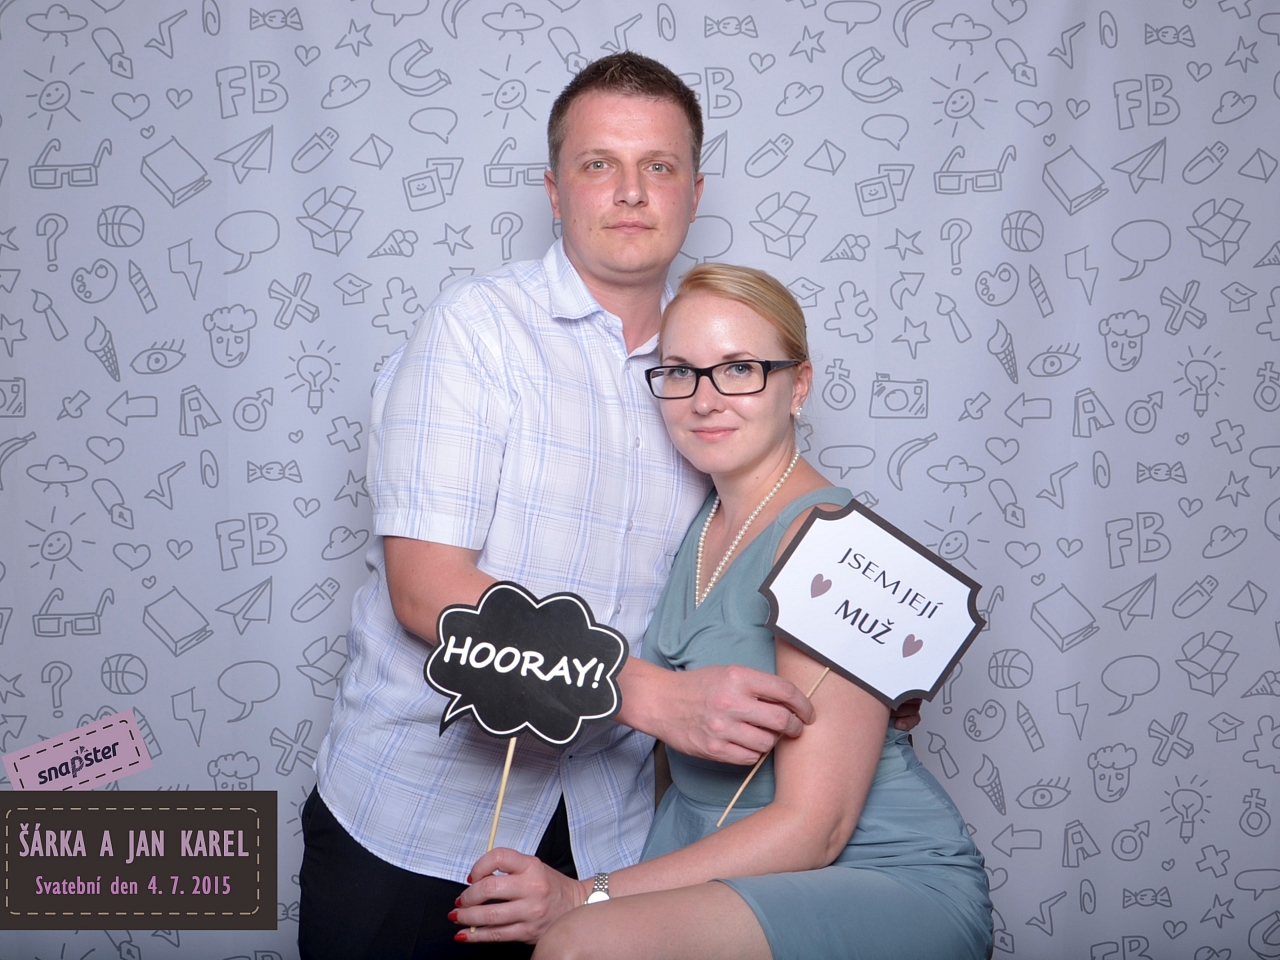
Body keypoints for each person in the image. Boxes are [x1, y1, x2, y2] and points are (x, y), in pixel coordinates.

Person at [300, 52, 918, 960]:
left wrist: (861, 668)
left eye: (657, 166)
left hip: (610, 836)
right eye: (600, 164)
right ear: (555, 191)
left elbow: (754, 558)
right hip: (421, 814)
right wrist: (654, 697)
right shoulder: (476, 330)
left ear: (694, 193)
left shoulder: (708, 369)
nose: (630, 191)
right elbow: (426, 590)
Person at [454, 265, 993, 960]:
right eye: (681, 371)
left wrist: (584, 895)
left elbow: (817, 828)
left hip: (874, 872)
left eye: (740, 368)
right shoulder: (699, 523)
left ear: (798, 386)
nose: (705, 400)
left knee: (578, 943)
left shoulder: (832, 545)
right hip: (715, 850)